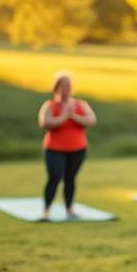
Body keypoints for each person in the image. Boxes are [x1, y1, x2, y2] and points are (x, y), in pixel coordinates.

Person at [37, 72, 97, 221]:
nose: (65, 88)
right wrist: (64, 117)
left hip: (77, 149)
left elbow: (91, 120)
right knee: (55, 177)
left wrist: (73, 116)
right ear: (56, 87)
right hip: (54, 149)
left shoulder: (80, 105)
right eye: (62, 85)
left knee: (70, 178)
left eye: (68, 85)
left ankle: (69, 209)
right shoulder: (50, 105)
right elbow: (45, 123)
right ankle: (46, 210)